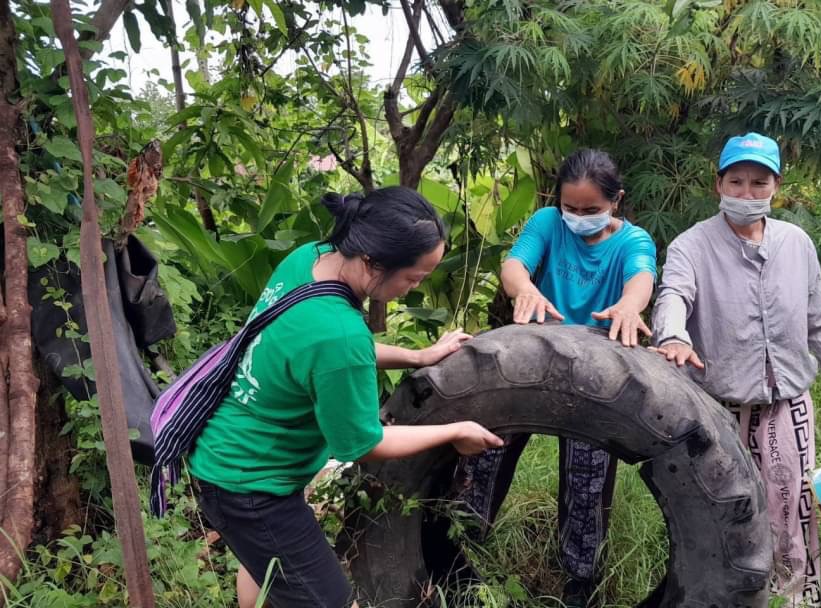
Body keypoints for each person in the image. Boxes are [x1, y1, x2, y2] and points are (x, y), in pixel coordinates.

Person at [188, 186, 504, 608]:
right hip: (251, 486)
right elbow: (363, 444)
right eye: (414, 278)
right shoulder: (341, 335)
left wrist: (418, 355)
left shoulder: (309, 259)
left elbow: (319, 352)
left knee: (264, 565)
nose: (413, 289)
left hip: (225, 455)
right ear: (373, 261)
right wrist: (454, 431)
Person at [650, 132, 821, 607]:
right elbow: (673, 295)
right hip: (719, 406)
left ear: (776, 186)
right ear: (718, 185)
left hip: (786, 405)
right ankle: (724, 597)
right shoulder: (693, 246)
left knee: (791, 505)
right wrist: (672, 335)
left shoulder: (796, 243)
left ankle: (793, 597)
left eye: (758, 183)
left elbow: (820, 316)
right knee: (719, 509)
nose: (747, 194)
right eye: (737, 182)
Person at [456, 149, 657, 606]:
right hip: (535, 356)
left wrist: (630, 305)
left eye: (592, 210)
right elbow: (515, 264)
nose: (579, 217)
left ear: (616, 201)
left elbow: (640, 278)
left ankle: (579, 581)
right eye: (572, 208)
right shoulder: (548, 223)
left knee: (588, 474)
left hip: (596, 370)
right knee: (488, 448)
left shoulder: (633, 242)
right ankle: (461, 548)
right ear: (558, 201)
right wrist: (525, 287)